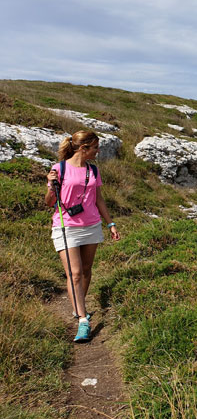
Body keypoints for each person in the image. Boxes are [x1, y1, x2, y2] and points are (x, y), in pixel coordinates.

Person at [45, 130, 121, 342]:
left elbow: (99, 201)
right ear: (83, 148)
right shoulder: (58, 169)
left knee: (86, 271)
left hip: (91, 225)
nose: (98, 151)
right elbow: (50, 203)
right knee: (75, 274)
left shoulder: (94, 171)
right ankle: (83, 319)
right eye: (95, 147)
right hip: (66, 226)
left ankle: (77, 306)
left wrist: (111, 224)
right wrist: (51, 186)